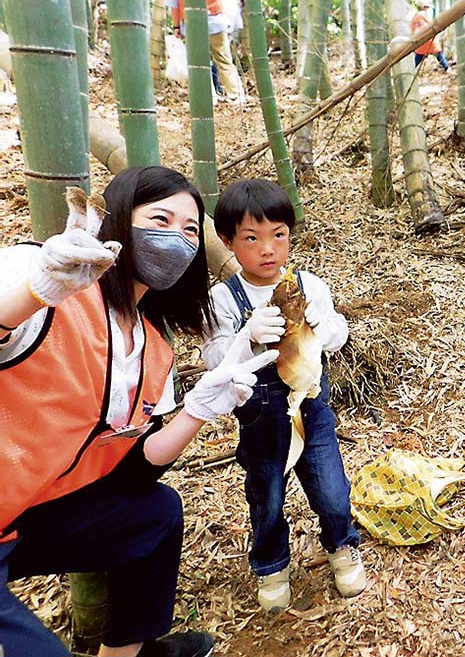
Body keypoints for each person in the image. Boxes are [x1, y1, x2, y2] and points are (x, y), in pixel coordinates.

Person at [0, 166, 278, 657]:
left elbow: (133, 472)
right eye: (160, 219)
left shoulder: (153, 350)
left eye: (190, 230)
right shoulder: (45, 277)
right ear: (120, 223)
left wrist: (196, 411)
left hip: (24, 518)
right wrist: (35, 292)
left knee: (154, 514)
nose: (177, 239)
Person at [202, 179, 365, 613]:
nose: (268, 249)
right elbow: (213, 358)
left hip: (311, 408)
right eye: (252, 239)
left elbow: (338, 333)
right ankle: (272, 565)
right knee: (266, 495)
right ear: (227, 241)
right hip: (260, 419)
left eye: (279, 235)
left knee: (331, 489)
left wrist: (321, 326)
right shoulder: (223, 298)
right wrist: (246, 336)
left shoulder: (309, 284)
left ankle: (342, 545)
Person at [166, 0, 245, 101]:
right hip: (216, 19)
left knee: (199, 64)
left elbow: (174, 4)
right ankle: (236, 96)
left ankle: (208, 98)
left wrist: (176, 27)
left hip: (191, 24)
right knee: (223, 60)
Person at [411, 0, 450, 71]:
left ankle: (412, 71)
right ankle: (447, 68)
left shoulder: (414, 17)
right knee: (439, 54)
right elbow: (431, 25)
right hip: (429, 39)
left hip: (420, 41)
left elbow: (412, 29)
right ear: (424, 7)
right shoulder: (424, 15)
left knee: (418, 57)